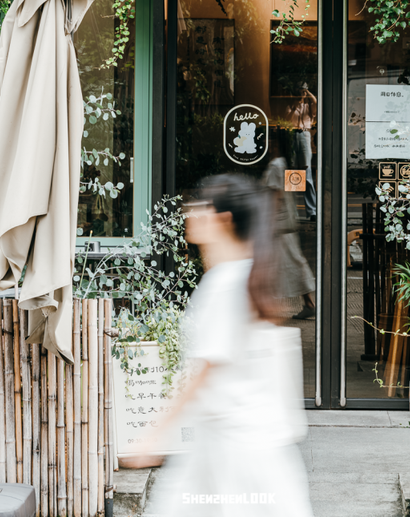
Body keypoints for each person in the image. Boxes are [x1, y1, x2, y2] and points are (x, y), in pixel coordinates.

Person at [123, 173, 313, 517]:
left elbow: (200, 374)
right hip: (250, 451)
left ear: (223, 220)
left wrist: (152, 438)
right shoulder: (245, 277)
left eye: (200, 205)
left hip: (232, 455)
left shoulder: (224, 283)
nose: (189, 211)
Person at [262, 133, 316, 321]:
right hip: (286, 222)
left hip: (279, 224)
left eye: (271, 141)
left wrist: (268, 222)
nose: (268, 145)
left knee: (290, 262)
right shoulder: (284, 164)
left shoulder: (276, 166)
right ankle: (308, 302)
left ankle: (308, 303)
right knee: (289, 262)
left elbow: (275, 196)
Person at [285, 84, 317, 220]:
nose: (302, 94)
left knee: (307, 172)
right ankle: (292, 212)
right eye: (300, 90)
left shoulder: (309, 107)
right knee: (292, 174)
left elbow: (315, 102)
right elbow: (287, 120)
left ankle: (312, 211)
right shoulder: (290, 105)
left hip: (304, 135)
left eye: (304, 91)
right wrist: (295, 103)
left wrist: (308, 93)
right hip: (292, 134)